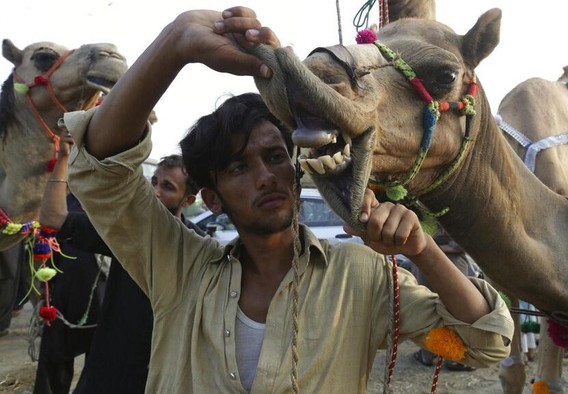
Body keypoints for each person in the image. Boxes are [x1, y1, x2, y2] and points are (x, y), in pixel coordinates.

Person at [64, 6, 513, 392]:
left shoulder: (361, 276)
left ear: (296, 172)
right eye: (239, 167)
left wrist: (424, 250)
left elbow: (483, 342)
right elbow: (104, 168)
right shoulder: (178, 268)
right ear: (211, 199)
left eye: (275, 157)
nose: (265, 176)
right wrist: (175, 43)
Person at [38, 149, 205, 394]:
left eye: (167, 187)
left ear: (188, 200)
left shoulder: (198, 248)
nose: (155, 191)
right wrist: (63, 157)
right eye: (154, 182)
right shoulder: (128, 231)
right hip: (107, 371)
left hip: (160, 377)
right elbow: (53, 218)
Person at [32, 132, 106, 394]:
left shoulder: (113, 199)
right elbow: (45, 234)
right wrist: (42, 289)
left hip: (103, 297)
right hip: (61, 295)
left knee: (99, 370)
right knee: (53, 365)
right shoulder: (61, 197)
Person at [411, 226, 482, 371]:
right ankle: (442, 354)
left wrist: (428, 247)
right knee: (440, 308)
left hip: (431, 260)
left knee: (437, 309)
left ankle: (438, 354)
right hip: (444, 264)